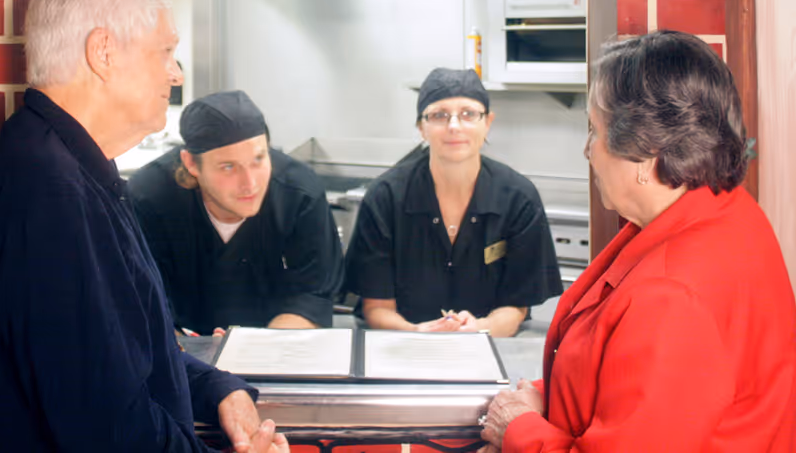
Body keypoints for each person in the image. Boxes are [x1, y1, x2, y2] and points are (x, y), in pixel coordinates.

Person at [0, 0, 289, 453]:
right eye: (166, 51)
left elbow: (124, 355)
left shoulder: (70, 168)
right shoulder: (44, 191)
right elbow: (104, 426)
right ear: (103, 52)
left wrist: (217, 388)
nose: (175, 73)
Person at [480, 31, 796, 452]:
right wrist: (549, 399)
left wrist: (518, 429)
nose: (588, 150)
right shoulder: (719, 209)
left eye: (594, 130)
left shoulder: (673, 296)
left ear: (644, 153)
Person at [345, 67, 562, 337]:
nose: (454, 126)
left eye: (468, 114)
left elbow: (515, 307)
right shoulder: (385, 197)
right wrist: (418, 332)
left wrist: (480, 328)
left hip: (490, 346)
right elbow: (377, 307)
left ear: (488, 122)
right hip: (402, 346)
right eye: (439, 115)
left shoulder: (518, 198)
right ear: (421, 127)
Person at [129, 90, 344, 336]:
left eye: (258, 159)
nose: (250, 183)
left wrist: (257, 347)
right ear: (191, 164)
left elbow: (313, 295)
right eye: (228, 167)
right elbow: (141, 301)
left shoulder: (299, 194)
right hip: (180, 348)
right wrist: (190, 353)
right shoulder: (149, 198)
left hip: (273, 343)